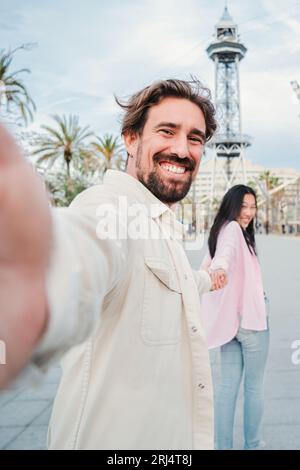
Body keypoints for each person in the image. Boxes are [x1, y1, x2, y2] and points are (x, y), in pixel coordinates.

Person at [0, 78, 227, 450]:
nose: (182, 149)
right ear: (131, 139)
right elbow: (82, 254)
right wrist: (28, 287)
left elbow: (175, 282)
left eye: (195, 138)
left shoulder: (160, 223)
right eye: (166, 131)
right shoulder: (109, 207)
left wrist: (207, 279)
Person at [200, 185, 269, 450]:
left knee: (227, 387)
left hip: (230, 321)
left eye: (252, 207)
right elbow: (223, 260)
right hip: (250, 320)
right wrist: (220, 269)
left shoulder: (221, 230)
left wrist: (215, 270)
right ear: (232, 205)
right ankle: (252, 446)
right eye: (244, 206)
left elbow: (209, 264)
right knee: (254, 387)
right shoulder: (232, 231)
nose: (249, 212)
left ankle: (222, 446)